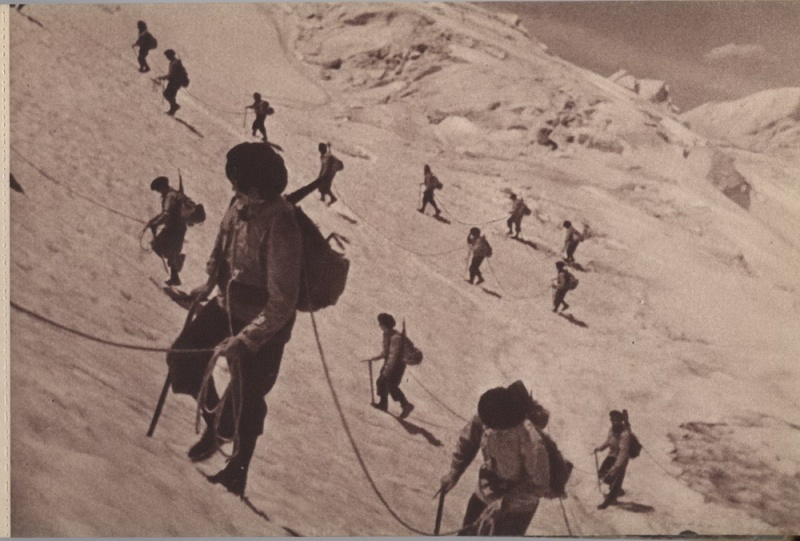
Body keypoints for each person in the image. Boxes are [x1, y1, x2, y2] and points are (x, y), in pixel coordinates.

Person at [165, 142, 302, 497]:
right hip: (228, 302)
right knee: (183, 356)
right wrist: (208, 282)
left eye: (239, 184)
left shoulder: (282, 226)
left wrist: (248, 339)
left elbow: (283, 302)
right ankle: (217, 422)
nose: (233, 190)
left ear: (259, 188)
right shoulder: (239, 203)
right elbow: (221, 243)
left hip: (266, 323)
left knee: (248, 397)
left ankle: (236, 471)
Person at [439, 385, 550, 536]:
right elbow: (468, 441)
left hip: (518, 506)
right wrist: (454, 472)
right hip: (488, 488)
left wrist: (505, 504)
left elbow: (538, 484)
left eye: (499, 431)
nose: (490, 432)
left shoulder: (531, 441)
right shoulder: (489, 415)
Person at [364, 313, 415, 418]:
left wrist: (386, 371)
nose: (379, 326)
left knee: (390, 385)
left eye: (381, 324)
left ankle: (405, 405)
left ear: (385, 325)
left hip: (397, 365)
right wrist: (377, 357)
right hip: (390, 363)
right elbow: (387, 352)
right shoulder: (386, 335)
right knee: (382, 382)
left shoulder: (396, 338)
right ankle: (385, 404)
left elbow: (393, 356)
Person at [145, 176, 187, 286]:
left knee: (158, 246)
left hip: (174, 229)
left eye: (158, 189)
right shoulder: (171, 194)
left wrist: (156, 223)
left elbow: (166, 214)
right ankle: (175, 275)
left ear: (162, 187)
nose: (158, 192)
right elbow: (164, 213)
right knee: (163, 248)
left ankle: (177, 263)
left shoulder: (169, 197)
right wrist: (153, 220)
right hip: (176, 228)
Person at [593, 410, 633, 509]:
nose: (614, 422)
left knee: (616, 479)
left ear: (620, 420)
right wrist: (600, 448)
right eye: (612, 420)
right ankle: (617, 489)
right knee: (602, 473)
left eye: (616, 420)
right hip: (612, 455)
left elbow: (623, 452)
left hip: (621, 459)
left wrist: (616, 467)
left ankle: (610, 499)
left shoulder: (625, 434)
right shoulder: (612, 429)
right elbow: (609, 440)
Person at [156, 49, 187, 116]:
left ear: (170, 55)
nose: (167, 57)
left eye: (167, 56)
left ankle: (174, 108)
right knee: (169, 94)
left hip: (175, 82)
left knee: (167, 94)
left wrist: (163, 77)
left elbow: (171, 75)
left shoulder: (174, 63)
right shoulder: (174, 62)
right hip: (175, 82)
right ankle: (174, 108)